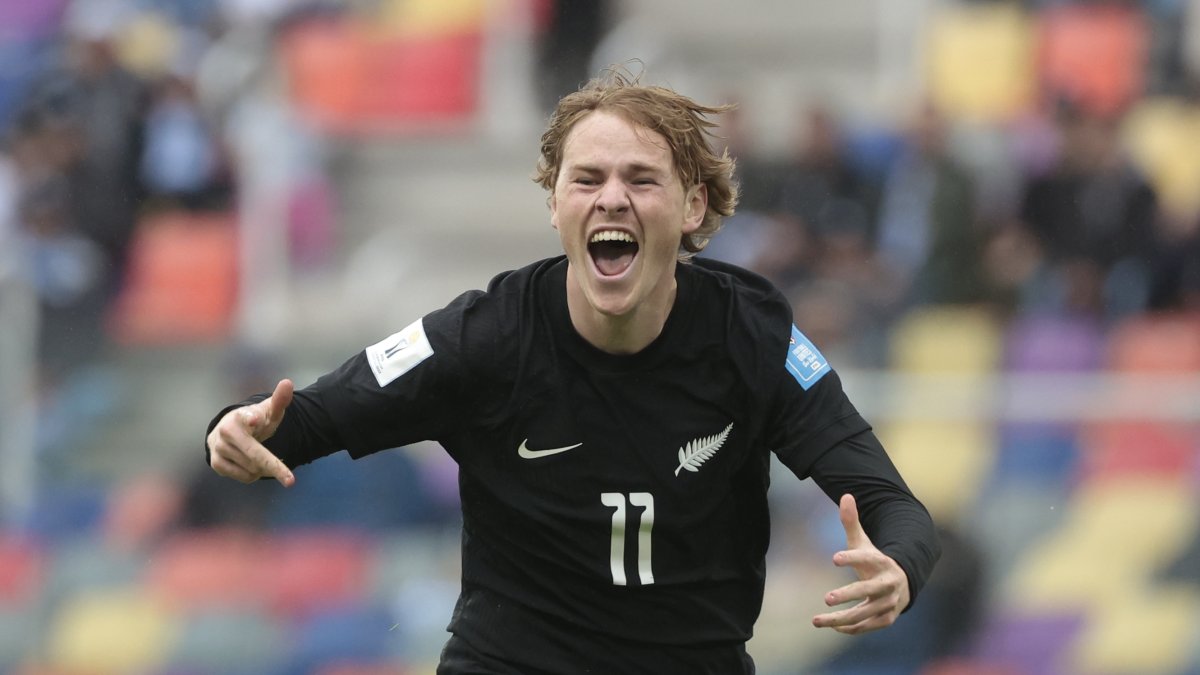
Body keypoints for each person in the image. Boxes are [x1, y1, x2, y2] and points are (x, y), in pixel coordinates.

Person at [204, 68, 941, 674]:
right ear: (554, 204)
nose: (611, 197)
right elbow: (297, 419)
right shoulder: (483, 335)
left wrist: (899, 565)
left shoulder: (752, 334)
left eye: (641, 179)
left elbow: (894, 505)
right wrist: (231, 430)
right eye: (586, 178)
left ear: (695, 205)